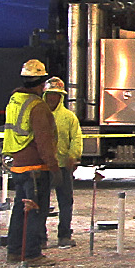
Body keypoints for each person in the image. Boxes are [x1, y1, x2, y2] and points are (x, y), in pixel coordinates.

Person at [3, 73, 63, 263]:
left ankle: (14, 251)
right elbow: (43, 140)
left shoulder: (15, 101)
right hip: (35, 167)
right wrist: (54, 167)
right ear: (41, 85)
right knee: (35, 210)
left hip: (19, 165)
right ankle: (31, 254)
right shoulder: (37, 107)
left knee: (20, 211)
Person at [44, 78, 84, 246]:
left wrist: (72, 156)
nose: (53, 98)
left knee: (65, 202)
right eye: (51, 94)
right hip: (43, 166)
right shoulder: (39, 114)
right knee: (41, 203)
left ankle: (64, 236)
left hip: (62, 166)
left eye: (57, 95)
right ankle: (40, 238)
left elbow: (76, 138)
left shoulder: (68, 117)